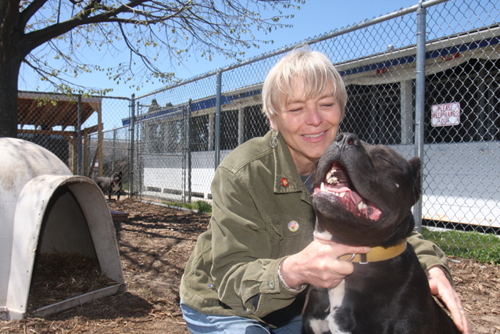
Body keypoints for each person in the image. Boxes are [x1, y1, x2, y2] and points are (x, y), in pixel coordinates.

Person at [179, 48, 470, 334]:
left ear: (341, 108)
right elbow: (230, 276)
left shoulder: (350, 160)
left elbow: (388, 220)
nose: (315, 120)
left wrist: (433, 267)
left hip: (295, 305)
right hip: (223, 305)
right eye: (296, 108)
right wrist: (292, 271)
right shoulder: (243, 172)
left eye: (326, 104)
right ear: (273, 118)